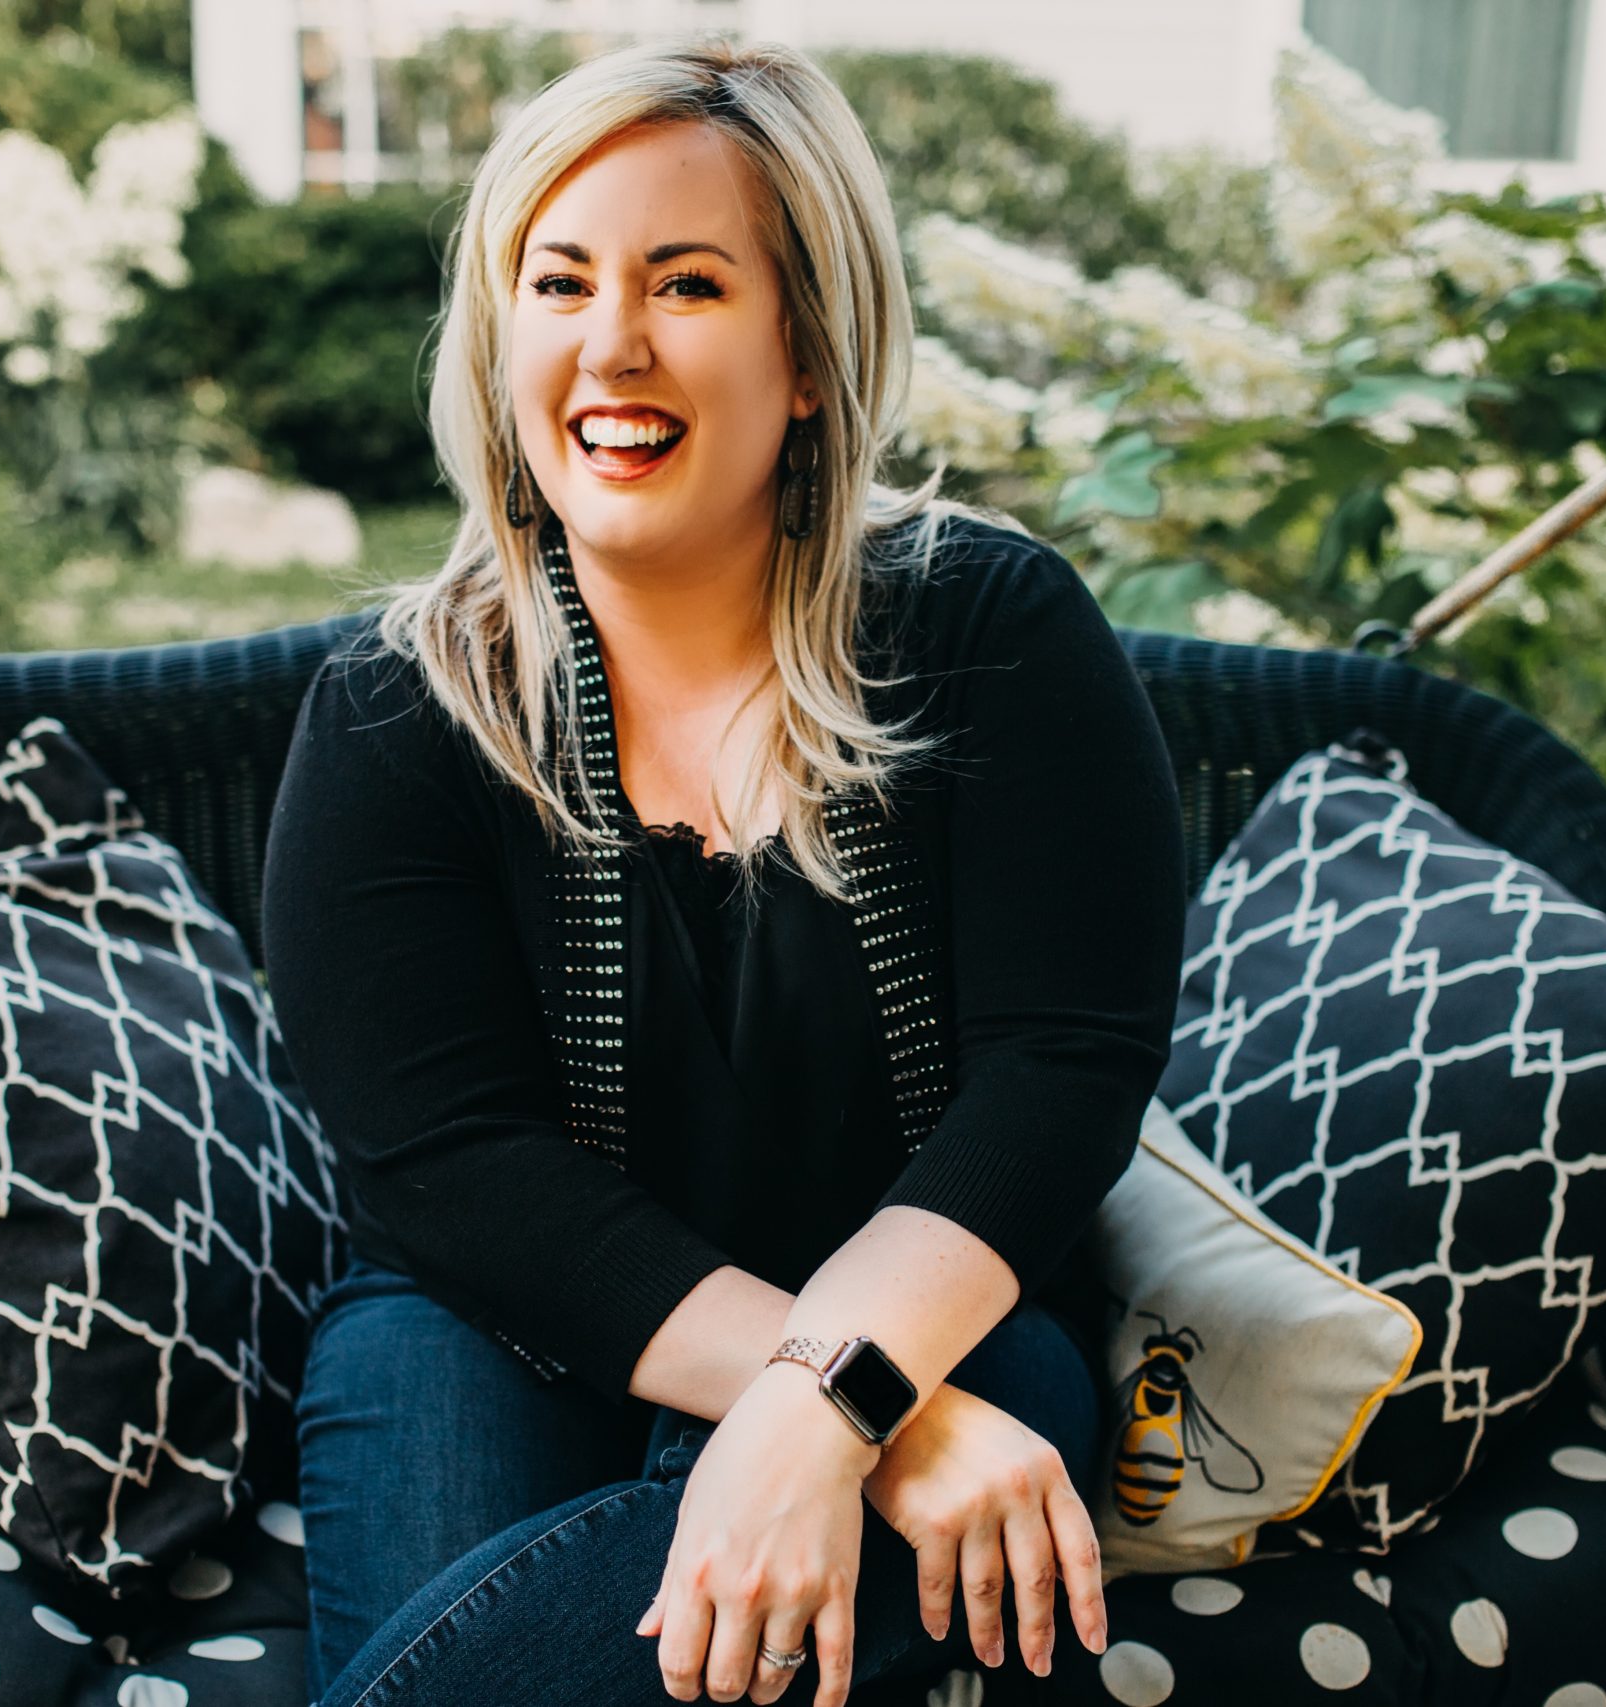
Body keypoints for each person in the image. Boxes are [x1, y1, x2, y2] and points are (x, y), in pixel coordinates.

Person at [260, 36, 1186, 1707]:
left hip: (945, 1320)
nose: (609, 344)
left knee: (975, 1482)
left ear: (810, 350)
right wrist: (824, 1403)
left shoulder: (992, 635)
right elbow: (450, 1162)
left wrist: (845, 1392)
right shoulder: (397, 714)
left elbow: (1062, 1070)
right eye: (559, 281)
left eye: (685, 282)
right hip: (490, 1323)